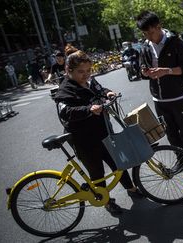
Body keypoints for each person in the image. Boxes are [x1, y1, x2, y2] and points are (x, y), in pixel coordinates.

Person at [54, 45, 144, 215]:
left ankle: (131, 189)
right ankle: (107, 201)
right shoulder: (65, 90)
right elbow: (65, 112)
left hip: (103, 132)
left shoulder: (89, 81)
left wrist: (108, 93)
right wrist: (88, 109)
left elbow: (100, 91)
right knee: (97, 173)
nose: (86, 74)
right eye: (81, 72)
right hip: (84, 140)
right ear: (68, 70)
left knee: (118, 163)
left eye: (88, 70)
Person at [136, 11, 183, 158]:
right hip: (159, 100)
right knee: (171, 133)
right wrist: (144, 72)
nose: (149, 37)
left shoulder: (175, 42)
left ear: (159, 26)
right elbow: (142, 69)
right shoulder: (145, 47)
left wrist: (166, 71)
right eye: (145, 34)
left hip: (178, 97)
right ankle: (181, 160)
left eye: (151, 32)